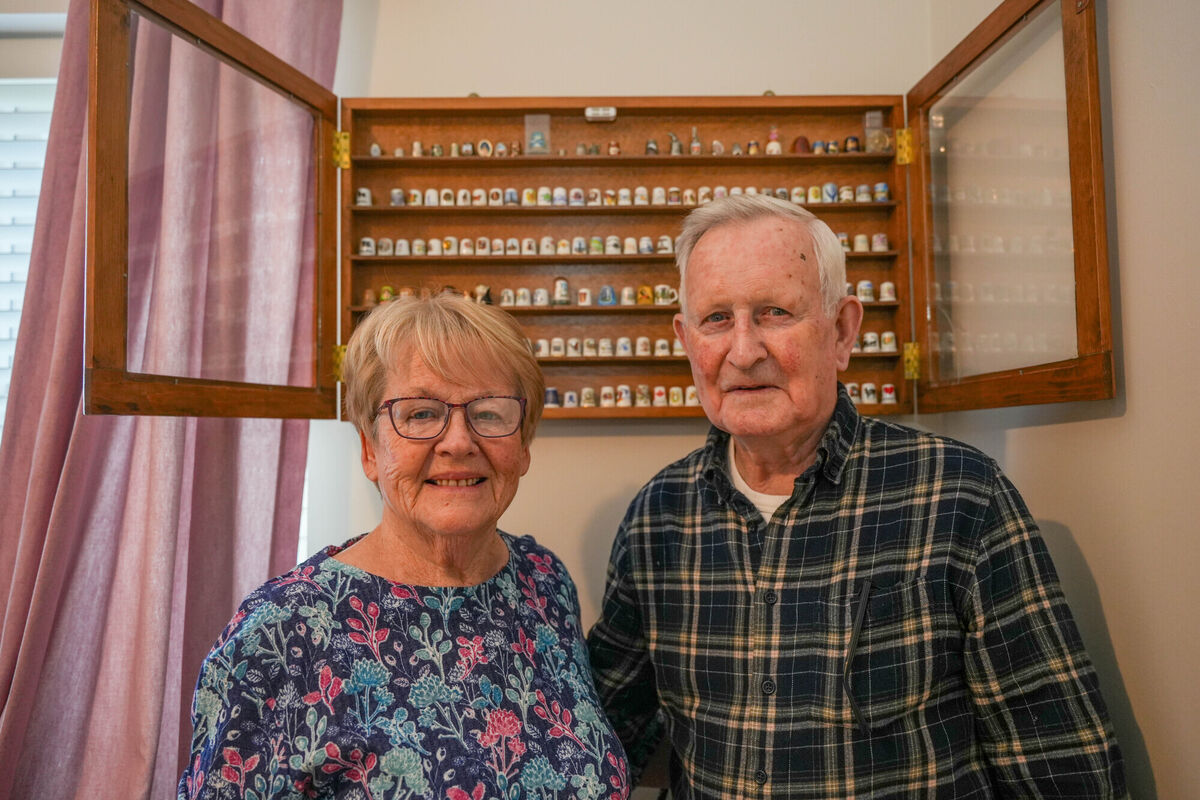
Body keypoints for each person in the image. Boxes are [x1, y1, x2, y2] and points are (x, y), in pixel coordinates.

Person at [587, 194, 1127, 798]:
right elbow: (598, 733)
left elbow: (1063, 765)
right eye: (717, 319)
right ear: (687, 342)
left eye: (774, 312)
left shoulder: (958, 497)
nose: (743, 351)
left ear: (842, 331)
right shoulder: (658, 517)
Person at [180, 293, 630, 799]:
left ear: (522, 446)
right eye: (419, 414)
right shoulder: (281, 635)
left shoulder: (543, 581)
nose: (458, 442)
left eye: (488, 412)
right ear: (371, 450)